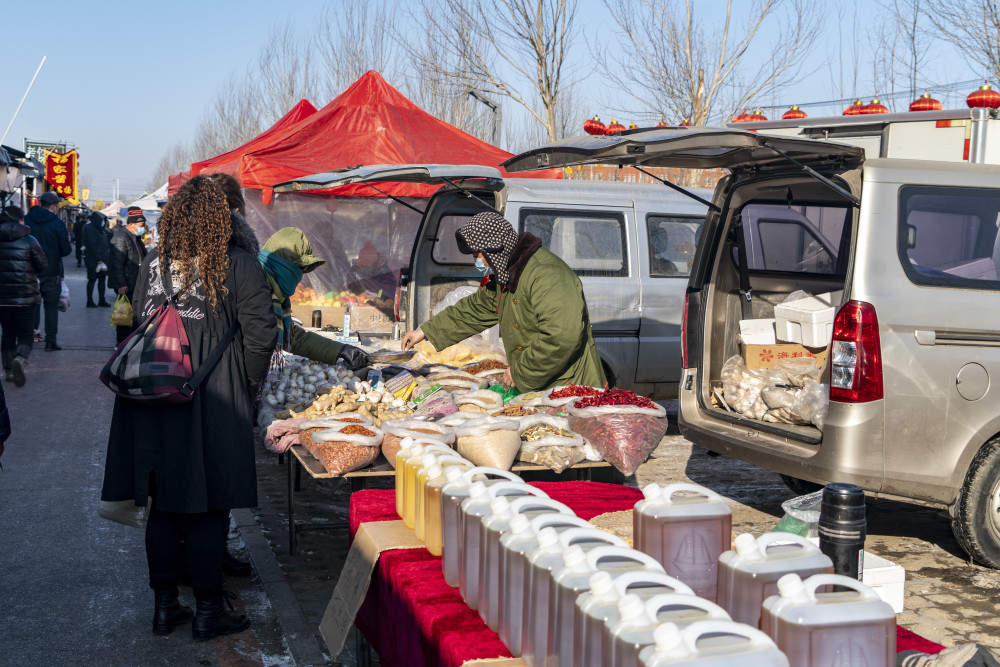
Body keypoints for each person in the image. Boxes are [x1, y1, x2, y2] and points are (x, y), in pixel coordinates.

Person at [101, 176, 277, 640]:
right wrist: (248, 386)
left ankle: (165, 607)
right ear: (223, 219)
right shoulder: (237, 264)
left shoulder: (155, 263)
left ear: (175, 218)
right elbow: (261, 333)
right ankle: (207, 608)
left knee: (163, 503)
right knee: (208, 504)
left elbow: (142, 319)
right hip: (211, 397)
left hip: (152, 398)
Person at [402, 211, 606, 392]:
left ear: (494, 249)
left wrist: (521, 371)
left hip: (570, 387)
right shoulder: (507, 275)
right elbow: (475, 309)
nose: (477, 261)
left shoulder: (548, 275)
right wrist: (425, 331)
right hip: (544, 386)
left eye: (478, 254)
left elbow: (561, 337)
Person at [259, 227, 369, 367]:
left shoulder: (276, 293)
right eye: (300, 269)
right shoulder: (257, 286)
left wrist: (341, 350)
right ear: (286, 266)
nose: (300, 278)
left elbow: (293, 337)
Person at [0, 205, 47, 387]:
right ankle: (20, 358)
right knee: (26, 334)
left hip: (2, 298)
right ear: (20, 220)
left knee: (7, 333)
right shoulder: (30, 240)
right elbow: (42, 265)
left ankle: (9, 372)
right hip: (26, 297)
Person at [25, 191, 72, 350]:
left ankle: (28, 338)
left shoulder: (26, 220)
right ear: (53, 206)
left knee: (31, 305)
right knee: (51, 307)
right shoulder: (57, 223)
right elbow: (66, 250)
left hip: (29, 271)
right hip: (51, 271)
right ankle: (50, 341)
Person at [108, 207, 148, 344]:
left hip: (135, 282)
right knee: (124, 316)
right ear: (131, 224)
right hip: (127, 284)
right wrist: (121, 284)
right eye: (141, 226)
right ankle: (121, 344)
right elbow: (117, 264)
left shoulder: (135, 237)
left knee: (132, 316)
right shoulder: (121, 237)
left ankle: (128, 343)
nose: (143, 228)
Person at [83, 211, 112, 307]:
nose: (103, 222)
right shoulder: (90, 228)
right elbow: (92, 245)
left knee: (102, 279)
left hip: (103, 259)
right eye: (102, 220)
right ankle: (89, 301)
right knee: (92, 279)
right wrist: (99, 259)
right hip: (93, 259)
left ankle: (101, 300)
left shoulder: (100, 228)